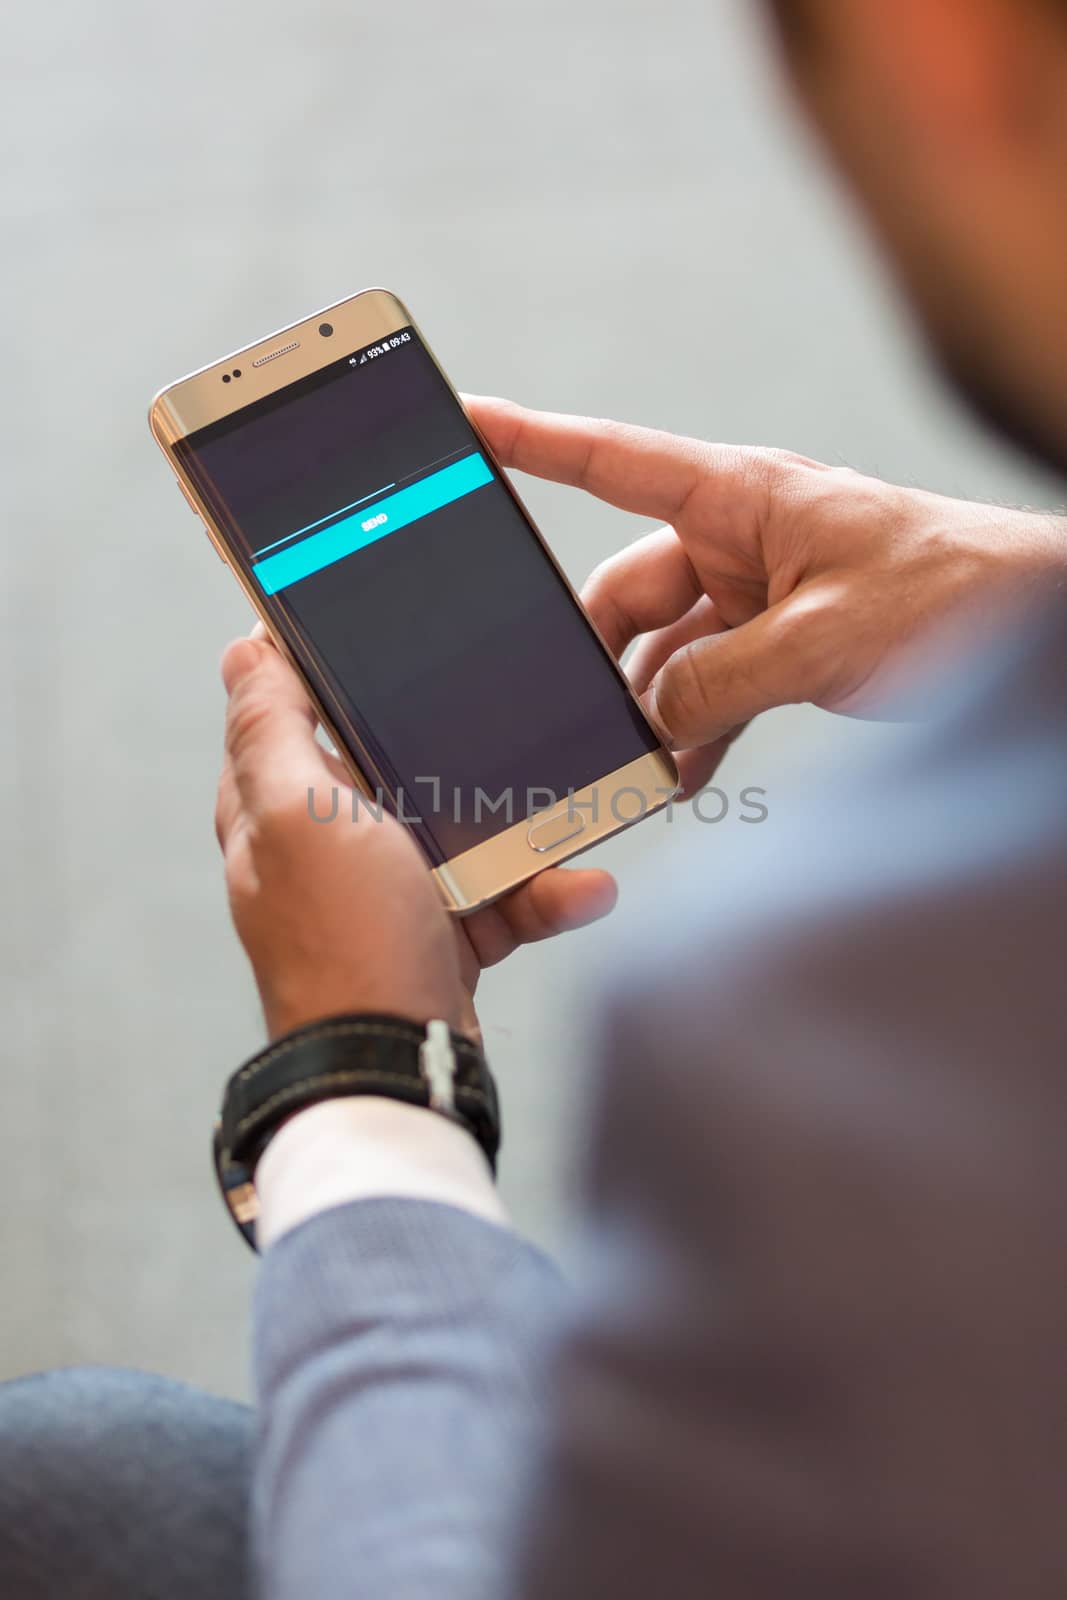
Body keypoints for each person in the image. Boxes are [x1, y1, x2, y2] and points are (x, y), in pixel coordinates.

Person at [4, 0, 1067, 1594]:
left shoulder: (843, 1009)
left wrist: (360, 1071)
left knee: (57, 1477)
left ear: (945, 51)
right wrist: (1022, 591)